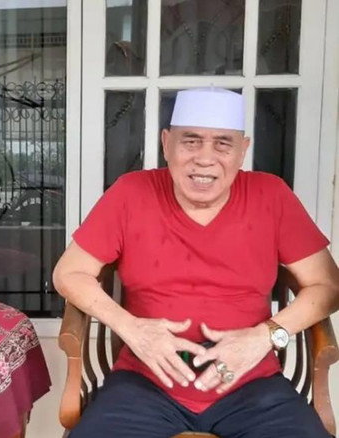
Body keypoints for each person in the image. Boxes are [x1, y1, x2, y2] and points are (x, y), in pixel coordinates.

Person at [53, 88, 339, 438]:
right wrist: (131, 328)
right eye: (190, 141)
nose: (205, 159)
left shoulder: (271, 195)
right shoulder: (131, 192)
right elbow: (69, 273)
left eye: (222, 144)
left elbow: (328, 286)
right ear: (166, 144)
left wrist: (265, 336)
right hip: (144, 383)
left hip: (251, 381)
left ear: (242, 151)